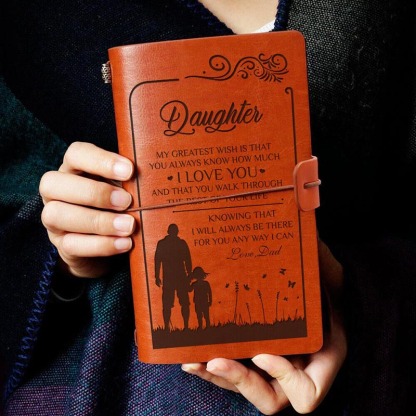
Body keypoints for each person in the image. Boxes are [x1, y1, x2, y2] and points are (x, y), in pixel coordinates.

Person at [0, 1, 415, 415]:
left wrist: (354, 294)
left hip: (373, 351)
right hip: (111, 373)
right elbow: (14, 179)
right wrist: (69, 249)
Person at [155, 224, 193, 331]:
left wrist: (189, 274)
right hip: (171, 278)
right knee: (169, 303)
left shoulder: (180, 243)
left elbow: (188, 260)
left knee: (184, 303)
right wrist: (156, 276)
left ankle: (185, 326)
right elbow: (157, 260)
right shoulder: (163, 244)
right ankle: (167, 327)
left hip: (179, 277)